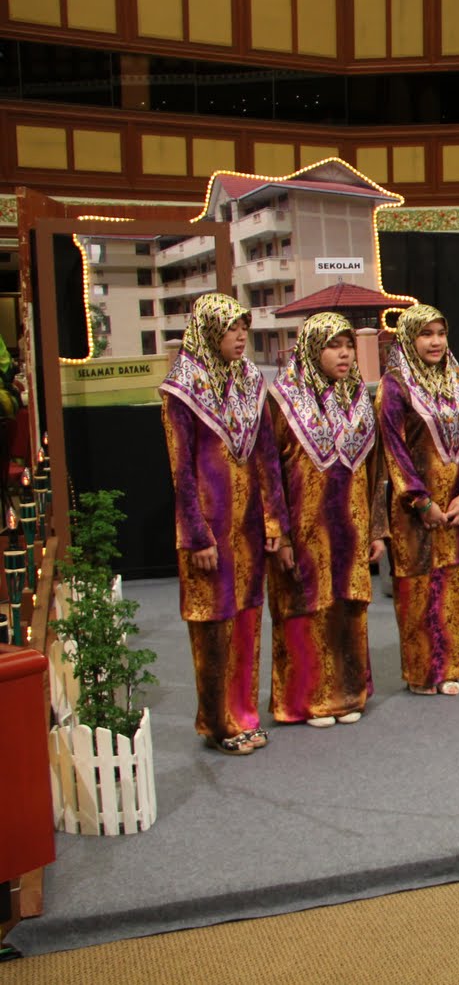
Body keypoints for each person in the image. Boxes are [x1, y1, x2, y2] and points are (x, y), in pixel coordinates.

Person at [160, 293, 287, 755]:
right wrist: (196, 535)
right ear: (210, 331)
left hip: (249, 525)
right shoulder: (182, 389)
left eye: (243, 328)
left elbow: (267, 458)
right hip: (209, 530)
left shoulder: (252, 381)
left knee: (248, 617)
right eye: (231, 328)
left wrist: (274, 520)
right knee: (214, 624)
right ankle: (218, 723)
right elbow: (181, 471)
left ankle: (245, 714)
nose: (239, 337)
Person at [265, 312, 385, 727]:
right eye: (335, 346)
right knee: (305, 608)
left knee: (347, 604)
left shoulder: (358, 398)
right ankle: (306, 699)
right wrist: (276, 532)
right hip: (302, 525)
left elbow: (376, 470)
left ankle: (347, 694)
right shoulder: (282, 397)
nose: (345, 354)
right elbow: (268, 471)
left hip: (349, 524)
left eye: (349, 345)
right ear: (314, 349)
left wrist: (376, 528)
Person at [379, 303, 459, 696]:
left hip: (455, 505)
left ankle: (452, 665)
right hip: (416, 510)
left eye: (440, 333)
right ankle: (424, 671)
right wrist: (420, 501)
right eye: (426, 334)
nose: (436, 341)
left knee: (455, 581)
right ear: (409, 338)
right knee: (420, 585)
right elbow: (394, 449)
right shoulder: (395, 385)